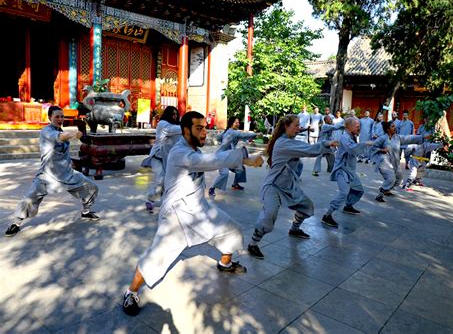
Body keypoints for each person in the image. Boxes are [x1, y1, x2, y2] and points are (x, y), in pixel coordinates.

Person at [122, 111, 264, 316]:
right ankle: (131, 292)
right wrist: (246, 158)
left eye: (205, 127)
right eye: (199, 128)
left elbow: (209, 158)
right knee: (156, 257)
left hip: (199, 209)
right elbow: (210, 160)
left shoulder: (192, 148)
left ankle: (226, 263)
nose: (205, 132)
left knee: (231, 230)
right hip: (177, 216)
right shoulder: (180, 153)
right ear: (186, 130)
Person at [246, 114, 338, 260]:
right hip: (273, 186)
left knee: (307, 207)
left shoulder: (288, 139)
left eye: (299, 125)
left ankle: (294, 229)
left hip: (288, 186)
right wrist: (327, 144)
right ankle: (253, 244)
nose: (298, 128)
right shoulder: (284, 143)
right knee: (269, 217)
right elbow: (310, 150)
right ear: (286, 127)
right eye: (295, 125)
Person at [5, 106, 99, 237]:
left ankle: (86, 211)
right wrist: (74, 134)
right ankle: (16, 223)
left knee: (92, 187)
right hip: (47, 176)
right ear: (50, 118)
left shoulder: (60, 129)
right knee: (29, 199)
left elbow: (62, 150)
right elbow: (61, 137)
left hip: (66, 174)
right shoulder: (46, 131)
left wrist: (69, 163)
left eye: (62, 116)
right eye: (57, 117)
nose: (60, 119)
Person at [321, 117, 373, 228]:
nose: (359, 127)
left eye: (359, 125)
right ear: (349, 126)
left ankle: (348, 206)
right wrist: (366, 143)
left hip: (350, 170)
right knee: (344, 192)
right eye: (356, 125)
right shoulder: (344, 137)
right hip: (342, 170)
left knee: (359, 190)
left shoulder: (353, 136)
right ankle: (327, 215)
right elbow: (352, 149)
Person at [371, 121, 426, 203]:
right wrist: (382, 150)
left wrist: (424, 137)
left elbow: (410, 138)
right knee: (390, 178)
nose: (395, 128)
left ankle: (387, 190)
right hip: (383, 161)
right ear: (388, 129)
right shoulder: (382, 138)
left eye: (394, 126)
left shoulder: (398, 138)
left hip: (394, 162)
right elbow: (373, 147)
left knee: (399, 178)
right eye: (393, 126)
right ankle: (380, 194)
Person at [141, 106, 181, 213]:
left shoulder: (178, 127)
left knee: (168, 182)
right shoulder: (162, 124)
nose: (175, 116)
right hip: (157, 157)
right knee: (160, 179)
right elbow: (172, 130)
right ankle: (150, 199)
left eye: (176, 114)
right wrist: (188, 127)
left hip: (168, 159)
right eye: (172, 114)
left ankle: (164, 203)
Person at [208, 116, 257, 197]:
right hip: (222, 156)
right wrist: (255, 134)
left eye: (238, 122)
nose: (238, 124)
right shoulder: (232, 132)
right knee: (224, 173)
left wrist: (227, 142)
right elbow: (243, 135)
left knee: (240, 168)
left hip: (230, 156)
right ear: (231, 124)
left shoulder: (229, 131)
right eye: (236, 123)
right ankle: (212, 188)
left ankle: (235, 184)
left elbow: (218, 137)